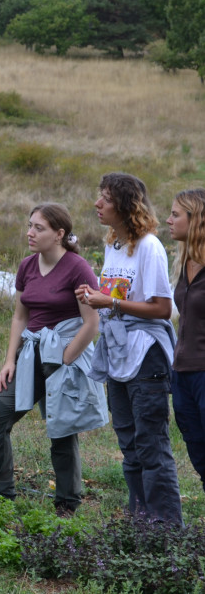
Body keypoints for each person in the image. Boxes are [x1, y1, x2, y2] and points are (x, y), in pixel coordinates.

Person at [0, 203, 106, 515]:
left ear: (59, 234)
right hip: (31, 354)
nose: (30, 232)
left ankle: (67, 501)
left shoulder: (78, 268)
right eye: (30, 225)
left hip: (65, 353)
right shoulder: (27, 266)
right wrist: (10, 360)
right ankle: (1, 488)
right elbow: (20, 317)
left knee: (62, 428)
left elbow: (91, 323)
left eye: (39, 227)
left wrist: (64, 360)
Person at [75, 172, 181, 524]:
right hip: (117, 353)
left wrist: (110, 304)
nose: (97, 204)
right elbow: (115, 298)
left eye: (105, 198)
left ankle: (167, 531)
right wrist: (95, 299)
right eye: (99, 196)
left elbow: (162, 309)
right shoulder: (113, 245)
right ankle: (140, 523)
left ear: (125, 205)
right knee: (129, 446)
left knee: (151, 447)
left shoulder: (149, 246)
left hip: (145, 355)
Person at [168, 188, 205, 493]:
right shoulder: (184, 263)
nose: (168, 220)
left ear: (195, 220)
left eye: (175, 215)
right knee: (200, 459)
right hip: (181, 375)